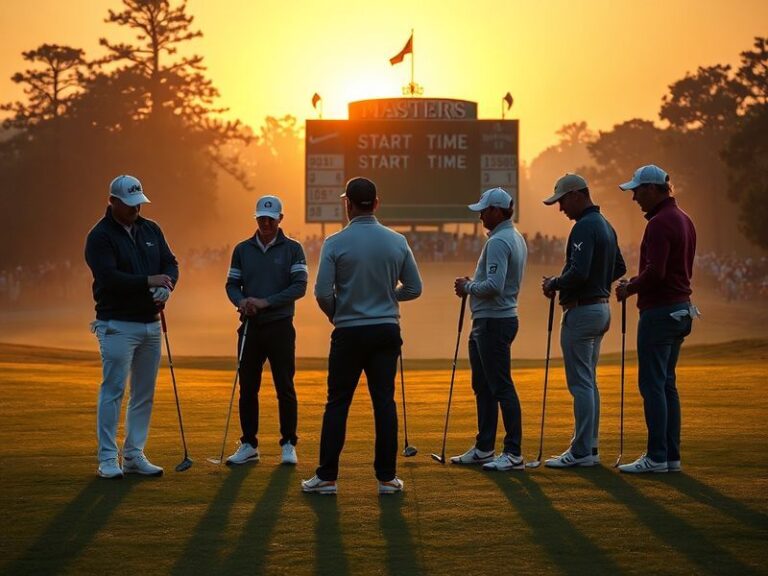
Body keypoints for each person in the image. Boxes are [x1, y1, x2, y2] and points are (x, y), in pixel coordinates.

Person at [303, 177, 422, 495]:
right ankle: (386, 479)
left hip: (349, 331)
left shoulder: (335, 243)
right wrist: (387, 296)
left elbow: (321, 292)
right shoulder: (396, 241)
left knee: (338, 403)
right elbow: (414, 288)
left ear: (348, 204)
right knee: (384, 402)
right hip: (385, 330)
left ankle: (327, 476)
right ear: (377, 203)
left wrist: (336, 314)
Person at [85, 175, 178, 479]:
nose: (136, 209)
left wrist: (167, 286)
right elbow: (109, 277)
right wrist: (148, 281)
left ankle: (135, 454)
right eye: (129, 204)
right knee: (113, 390)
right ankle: (108, 458)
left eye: (139, 203)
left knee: (143, 393)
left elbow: (170, 263)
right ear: (112, 201)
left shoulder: (151, 229)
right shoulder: (100, 237)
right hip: (116, 324)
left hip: (150, 324)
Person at [615, 165, 697, 474]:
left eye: (637, 190)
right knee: (666, 385)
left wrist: (629, 287)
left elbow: (657, 272)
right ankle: (670, 457)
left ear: (652, 189)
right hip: (680, 308)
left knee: (652, 385)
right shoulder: (684, 219)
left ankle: (656, 456)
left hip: (660, 312)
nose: (634, 197)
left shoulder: (660, 223)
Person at [541, 173, 626, 468]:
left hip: (582, 311)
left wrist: (554, 282)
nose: (561, 208)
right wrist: (599, 283)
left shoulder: (583, 227)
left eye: (562, 201)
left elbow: (578, 272)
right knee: (588, 382)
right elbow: (619, 266)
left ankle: (581, 451)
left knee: (580, 383)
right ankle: (589, 447)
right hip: (601, 309)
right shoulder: (606, 225)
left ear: (577, 194)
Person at [224, 195, 308, 465]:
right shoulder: (242, 249)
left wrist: (265, 301)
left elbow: (299, 287)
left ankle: (288, 443)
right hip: (250, 326)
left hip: (280, 325)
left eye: (271, 218)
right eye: (262, 218)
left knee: (284, 386)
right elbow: (231, 285)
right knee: (248, 387)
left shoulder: (293, 249)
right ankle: (249, 444)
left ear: (281, 218)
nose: (266, 222)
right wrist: (242, 302)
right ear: (256, 218)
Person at [452, 187, 528, 471]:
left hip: (493, 321)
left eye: (484, 210)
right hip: (493, 320)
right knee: (483, 386)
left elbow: (494, 288)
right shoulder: (514, 237)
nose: (481, 215)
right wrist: (475, 283)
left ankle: (513, 452)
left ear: (497, 211)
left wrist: (467, 287)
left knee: (500, 386)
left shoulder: (499, 241)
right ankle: (485, 447)